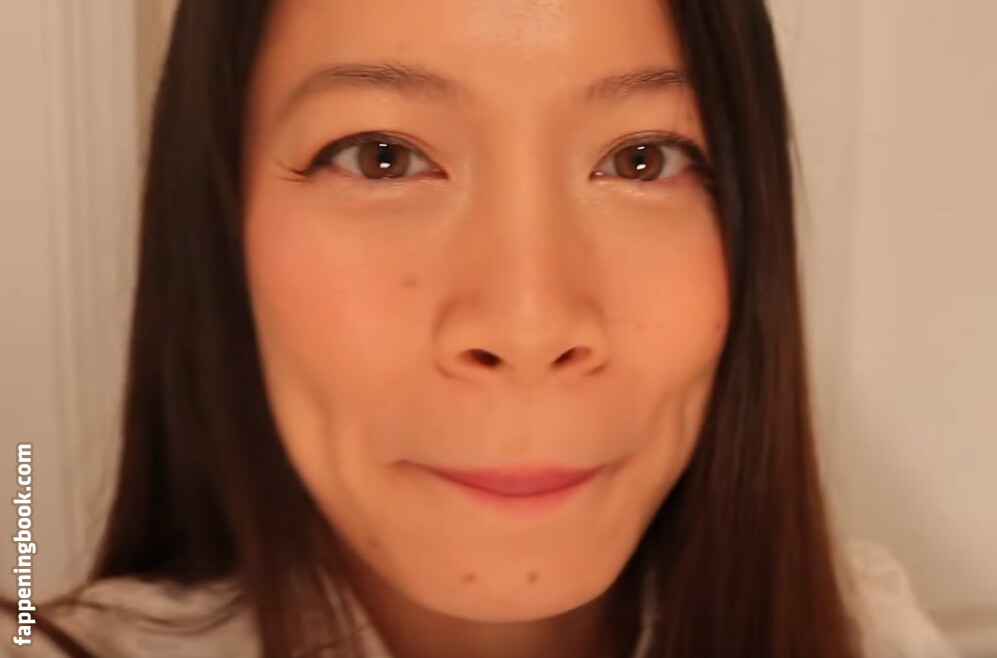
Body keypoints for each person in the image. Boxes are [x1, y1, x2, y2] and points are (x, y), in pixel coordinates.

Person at [1, 0, 960, 656]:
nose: (528, 323)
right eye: (380, 157)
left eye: (641, 159)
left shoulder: (866, 634)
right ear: (218, 229)